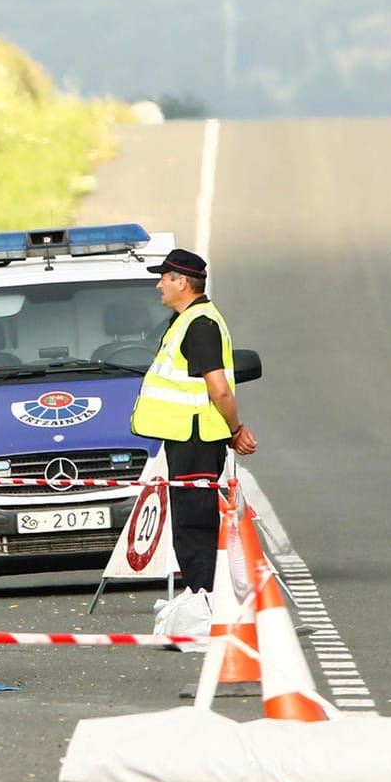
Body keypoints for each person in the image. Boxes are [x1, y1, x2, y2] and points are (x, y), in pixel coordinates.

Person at [131, 249, 257, 637]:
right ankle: (200, 598)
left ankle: (205, 604)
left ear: (182, 282)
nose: (158, 284)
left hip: (198, 437)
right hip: (188, 436)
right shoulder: (187, 320)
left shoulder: (200, 324)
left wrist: (235, 430)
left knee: (196, 521)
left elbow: (219, 389)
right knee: (188, 519)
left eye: (164, 277)